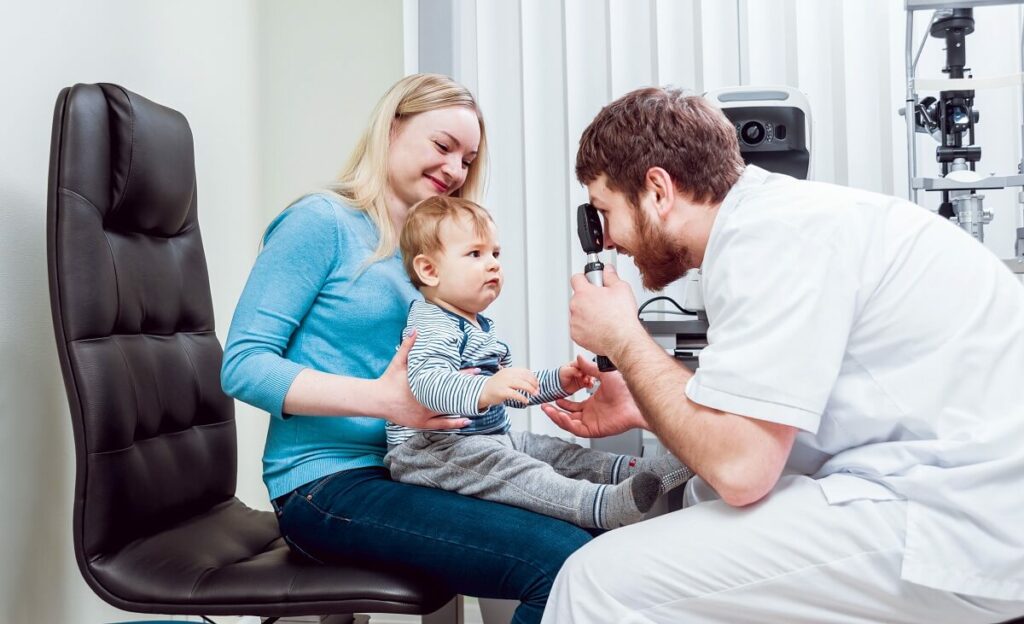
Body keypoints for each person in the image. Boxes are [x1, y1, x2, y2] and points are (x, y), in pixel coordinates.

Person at [539, 87, 1024, 623]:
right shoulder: (773, 222)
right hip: (948, 493)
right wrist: (642, 403)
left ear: (657, 190)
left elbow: (743, 468)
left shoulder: (768, 238)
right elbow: (754, 419)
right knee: (694, 509)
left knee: (595, 583)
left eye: (604, 211)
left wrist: (625, 341)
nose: (604, 242)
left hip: (957, 522)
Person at [220, 73, 591, 624]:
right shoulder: (322, 223)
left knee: (584, 535)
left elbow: (451, 371)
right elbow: (243, 366)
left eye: (467, 159)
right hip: (327, 484)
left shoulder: (437, 253)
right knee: (560, 564)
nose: (454, 170)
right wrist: (383, 400)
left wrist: (537, 387)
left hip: (421, 468)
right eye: (443, 146)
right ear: (392, 129)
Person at [383, 195, 693, 529]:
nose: (493, 264)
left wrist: (557, 380)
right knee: (520, 472)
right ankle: (599, 506)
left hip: (485, 438)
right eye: (475, 254)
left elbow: (513, 390)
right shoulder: (431, 321)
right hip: (430, 451)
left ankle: (637, 473)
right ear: (429, 270)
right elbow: (427, 383)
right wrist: (487, 387)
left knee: (552, 451)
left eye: (495, 254)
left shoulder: (479, 325)